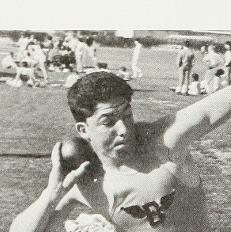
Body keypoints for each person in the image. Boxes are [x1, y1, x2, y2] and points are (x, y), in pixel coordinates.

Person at [10, 71, 231, 232]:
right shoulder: (85, 179)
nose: (124, 129)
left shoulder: (163, 142)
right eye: (108, 121)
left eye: (127, 115)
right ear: (83, 130)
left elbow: (213, 110)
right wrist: (49, 196)